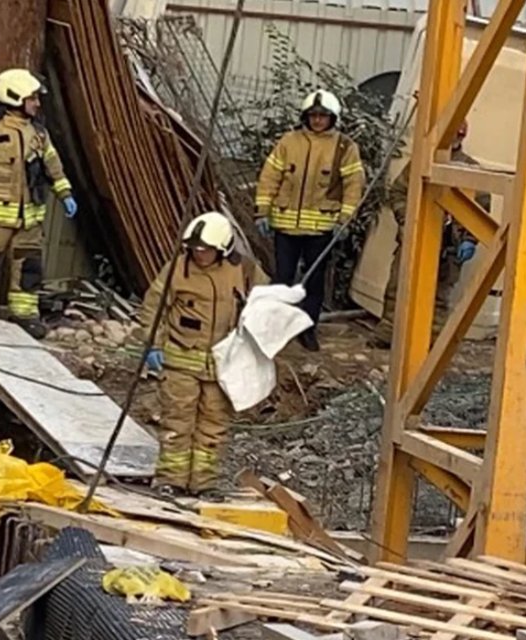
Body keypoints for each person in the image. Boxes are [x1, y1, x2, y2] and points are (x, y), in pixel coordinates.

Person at [0, 68, 78, 339]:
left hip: (29, 219)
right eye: (32, 98)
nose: (37, 103)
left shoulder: (39, 134)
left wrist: (65, 194)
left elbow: (53, 167)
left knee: (29, 271)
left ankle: (25, 316)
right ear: (16, 97)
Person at [141, 212, 251, 500]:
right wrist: (151, 345)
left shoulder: (241, 271)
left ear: (223, 248)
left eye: (206, 249)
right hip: (180, 363)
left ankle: (205, 484)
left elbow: (261, 303)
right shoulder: (177, 270)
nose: (199, 254)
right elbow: (153, 306)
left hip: (221, 366)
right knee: (177, 423)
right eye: (195, 249)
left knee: (213, 427)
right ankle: (170, 481)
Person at [254, 89, 365, 352]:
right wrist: (262, 210)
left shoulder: (344, 148)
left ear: (332, 118)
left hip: (321, 229)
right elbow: (270, 177)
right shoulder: (289, 142)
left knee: (313, 282)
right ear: (306, 116)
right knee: (282, 279)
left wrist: (345, 219)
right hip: (286, 226)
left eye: (323, 116)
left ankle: (307, 329)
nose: (317, 120)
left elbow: (353, 185)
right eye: (313, 115)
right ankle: (274, 330)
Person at [373, 122, 486, 348]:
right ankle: (387, 336)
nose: (454, 138)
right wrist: (407, 220)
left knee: (440, 298)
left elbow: (481, 209)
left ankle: (432, 345)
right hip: (415, 236)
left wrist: (469, 239)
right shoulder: (422, 162)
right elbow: (398, 192)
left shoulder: (471, 169)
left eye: (458, 134)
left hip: (448, 244)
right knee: (397, 287)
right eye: (450, 133)